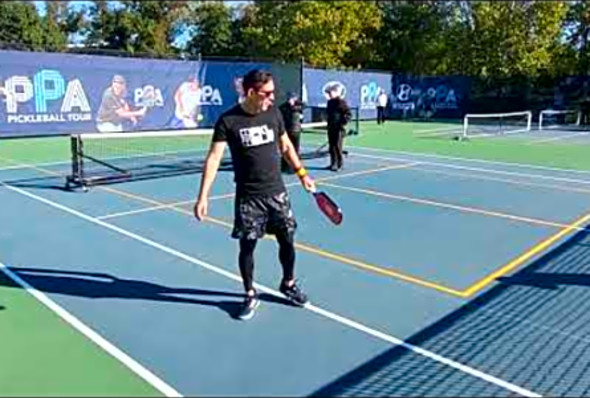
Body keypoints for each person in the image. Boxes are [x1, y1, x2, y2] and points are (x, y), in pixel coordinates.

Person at [193, 69, 316, 321]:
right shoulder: (228, 121)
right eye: (268, 93)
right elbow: (214, 158)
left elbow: (285, 145)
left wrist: (302, 173)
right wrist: (203, 196)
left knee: (288, 241)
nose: (273, 98)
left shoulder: (273, 114)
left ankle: (288, 284)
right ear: (251, 92)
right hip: (249, 198)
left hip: (277, 193)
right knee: (247, 247)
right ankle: (249, 293)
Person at [326, 85, 351, 171]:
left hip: (339, 128)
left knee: (337, 146)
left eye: (330, 92)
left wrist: (342, 123)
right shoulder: (329, 102)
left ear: (336, 92)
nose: (329, 94)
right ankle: (333, 163)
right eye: (328, 93)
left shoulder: (341, 102)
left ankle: (340, 165)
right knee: (331, 146)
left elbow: (348, 114)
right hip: (331, 127)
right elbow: (329, 114)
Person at [279, 92, 304, 173]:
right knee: (285, 149)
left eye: (293, 98)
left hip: (296, 131)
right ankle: (284, 166)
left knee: (295, 150)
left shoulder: (299, 106)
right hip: (287, 130)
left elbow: (302, 106)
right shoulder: (283, 107)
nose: (291, 100)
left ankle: (293, 167)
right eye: (290, 98)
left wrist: (294, 105)